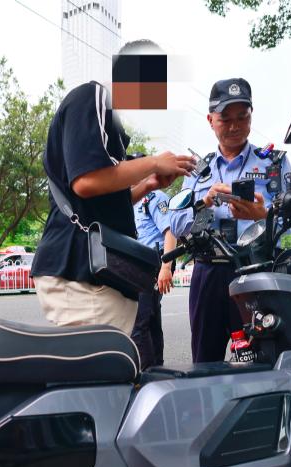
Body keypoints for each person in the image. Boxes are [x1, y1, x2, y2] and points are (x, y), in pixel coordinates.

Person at [31, 80, 195, 335]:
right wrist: (153, 163)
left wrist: (146, 186)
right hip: (83, 270)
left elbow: (99, 199)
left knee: (108, 367)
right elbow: (85, 181)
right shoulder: (93, 94)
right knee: (100, 370)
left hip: (95, 271)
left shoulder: (110, 121)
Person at [169, 78, 291, 362]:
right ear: (211, 120)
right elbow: (176, 225)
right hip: (208, 273)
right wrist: (205, 202)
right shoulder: (198, 171)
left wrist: (264, 216)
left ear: (251, 117)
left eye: (243, 117)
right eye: (226, 119)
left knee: (264, 357)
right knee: (204, 359)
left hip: (257, 270)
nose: (235, 126)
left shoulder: (273, 164)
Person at [130, 188, 177, 368]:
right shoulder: (131, 200)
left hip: (152, 264)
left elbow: (170, 231)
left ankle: (147, 374)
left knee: (138, 324)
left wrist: (166, 266)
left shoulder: (154, 197)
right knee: (150, 319)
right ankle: (157, 368)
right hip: (138, 266)